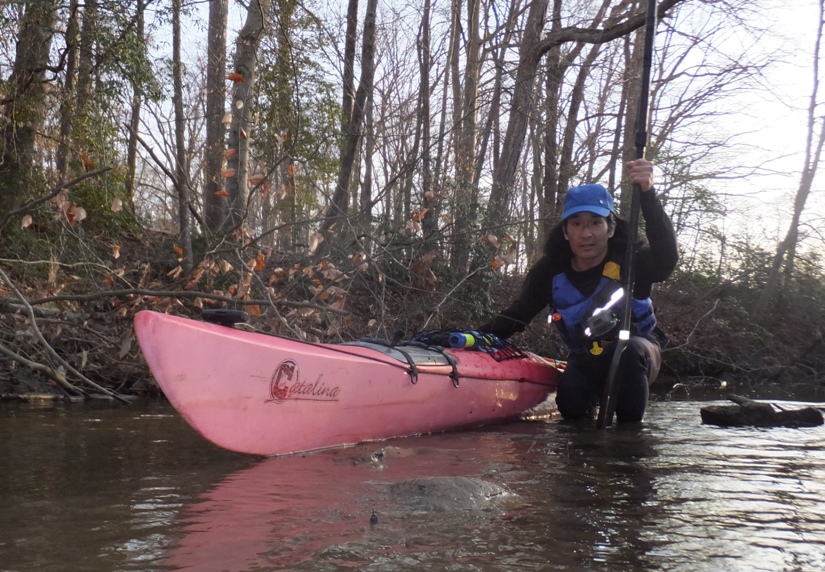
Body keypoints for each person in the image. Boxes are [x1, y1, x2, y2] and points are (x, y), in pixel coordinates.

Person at [479, 159, 678, 422]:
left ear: (611, 228)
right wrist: (473, 338)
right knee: (571, 404)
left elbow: (666, 261)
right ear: (565, 231)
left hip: (639, 352)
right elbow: (518, 315)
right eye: (577, 223)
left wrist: (648, 195)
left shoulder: (632, 261)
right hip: (587, 355)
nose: (586, 234)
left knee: (628, 354)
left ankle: (629, 446)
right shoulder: (550, 272)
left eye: (596, 222)